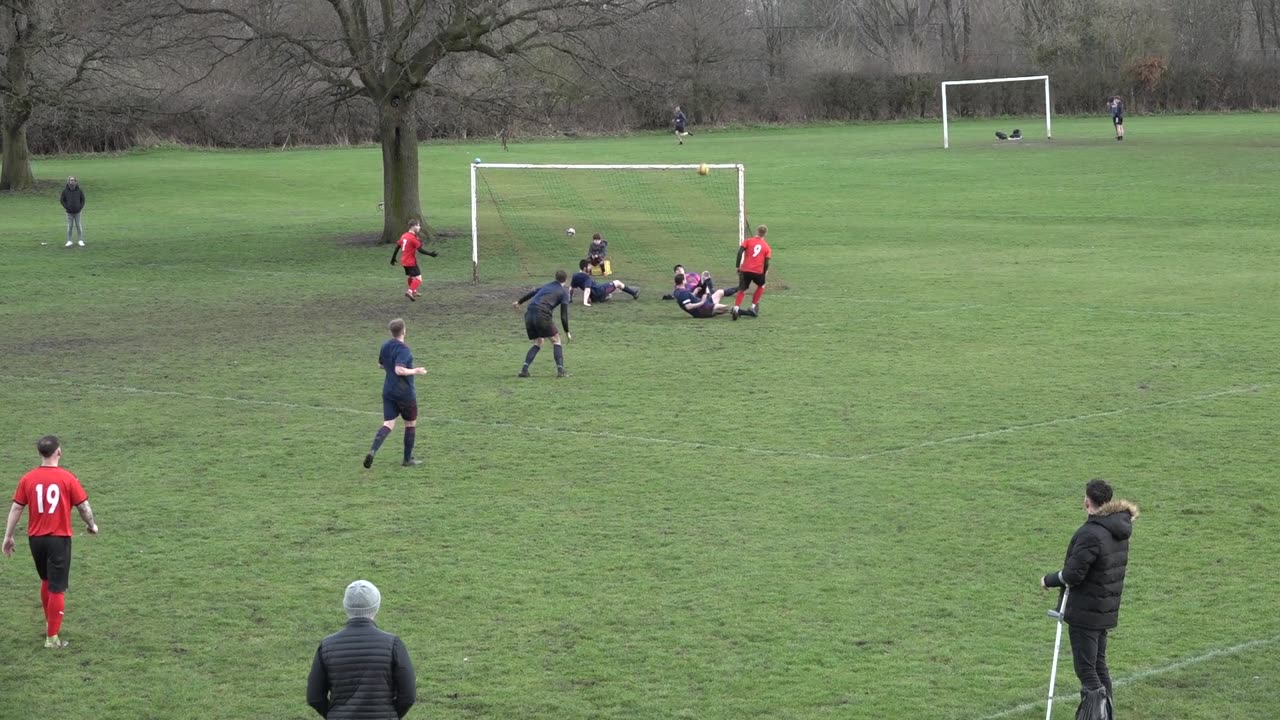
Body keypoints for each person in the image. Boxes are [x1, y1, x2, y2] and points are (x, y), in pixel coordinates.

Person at [1041, 479, 1139, 718]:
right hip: (1104, 607)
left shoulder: (1091, 533)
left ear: (1087, 501)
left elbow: (1074, 574)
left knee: (1087, 669)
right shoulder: (1118, 527)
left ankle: (1097, 715)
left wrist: (1049, 579)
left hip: (1086, 610)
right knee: (1099, 665)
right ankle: (1107, 714)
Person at [3, 436, 99, 649]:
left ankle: (50, 625)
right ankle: (52, 638)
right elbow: (83, 507)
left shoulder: (27, 478)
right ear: (59, 452)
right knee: (57, 587)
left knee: (46, 580)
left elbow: (17, 508)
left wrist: (8, 536)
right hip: (58, 538)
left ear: (40, 453)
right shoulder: (67, 478)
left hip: (35, 539)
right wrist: (92, 525)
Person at [307, 580, 416, 719]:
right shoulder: (393, 644)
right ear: (376, 606)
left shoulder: (327, 646)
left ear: (345, 606)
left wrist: (335, 715)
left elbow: (314, 697)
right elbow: (408, 696)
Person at [363, 318, 427, 469]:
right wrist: (415, 371)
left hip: (389, 391)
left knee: (388, 424)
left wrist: (390, 368)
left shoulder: (385, 345)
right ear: (404, 331)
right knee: (410, 423)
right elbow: (399, 370)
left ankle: (373, 450)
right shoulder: (403, 349)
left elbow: (380, 364)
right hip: (404, 392)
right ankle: (407, 459)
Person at [513, 270, 572, 378]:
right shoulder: (564, 293)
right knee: (556, 340)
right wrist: (567, 331)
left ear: (555, 278)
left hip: (529, 313)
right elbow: (564, 315)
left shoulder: (547, 286)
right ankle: (561, 370)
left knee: (538, 342)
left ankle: (524, 370)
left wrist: (519, 302)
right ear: (566, 280)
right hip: (542, 314)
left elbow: (533, 292)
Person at [389, 219, 438, 301]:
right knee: (419, 279)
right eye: (418, 225)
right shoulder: (413, 238)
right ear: (413, 226)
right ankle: (410, 291)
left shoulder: (404, 235)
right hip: (410, 262)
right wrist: (430, 254)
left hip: (404, 261)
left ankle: (414, 291)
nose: (419, 227)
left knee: (411, 276)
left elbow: (397, 247)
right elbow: (420, 250)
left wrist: (393, 258)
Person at [732, 224, 772, 320]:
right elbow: (766, 263)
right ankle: (753, 306)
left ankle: (736, 308)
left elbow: (740, 252)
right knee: (761, 285)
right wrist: (764, 272)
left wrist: (738, 266)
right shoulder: (767, 247)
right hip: (758, 271)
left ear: (757, 231)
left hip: (745, 270)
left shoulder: (748, 241)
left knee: (742, 289)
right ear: (765, 234)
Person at [674, 273, 750, 318]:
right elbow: (688, 306)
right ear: (683, 281)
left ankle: (740, 287)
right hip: (702, 309)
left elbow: (687, 298)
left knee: (719, 292)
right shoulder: (682, 293)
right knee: (726, 307)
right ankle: (749, 313)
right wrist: (702, 302)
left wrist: (694, 292)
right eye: (685, 279)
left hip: (704, 305)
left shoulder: (678, 291)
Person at [570, 259, 639, 306]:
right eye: (589, 266)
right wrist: (585, 302)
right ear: (585, 268)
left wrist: (570, 298)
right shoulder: (587, 277)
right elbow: (587, 290)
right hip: (600, 291)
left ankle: (605, 297)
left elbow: (571, 288)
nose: (590, 267)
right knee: (617, 282)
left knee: (609, 294)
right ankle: (634, 294)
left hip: (594, 298)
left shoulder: (575, 276)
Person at [60, 176, 86, 247]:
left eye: (73, 180)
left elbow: (83, 200)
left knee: (78, 225)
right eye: (70, 180)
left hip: (77, 212)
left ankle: (80, 240)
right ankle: (69, 240)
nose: (72, 181)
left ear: (75, 181)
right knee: (70, 226)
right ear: (68, 181)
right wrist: (67, 207)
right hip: (69, 212)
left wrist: (80, 207)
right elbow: (62, 200)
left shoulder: (79, 190)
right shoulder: (65, 191)